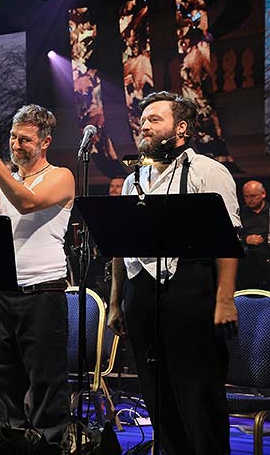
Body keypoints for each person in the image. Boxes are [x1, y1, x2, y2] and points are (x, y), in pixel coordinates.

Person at [107, 91, 239, 455]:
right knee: (155, 394)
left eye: (154, 119)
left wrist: (224, 299)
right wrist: (117, 301)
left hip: (190, 292)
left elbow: (227, 242)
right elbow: (120, 246)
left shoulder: (209, 172)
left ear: (180, 128)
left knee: (198, 395)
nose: (144, 126)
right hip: (141, 296)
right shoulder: (135, 179)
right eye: (143, 120)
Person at [0, 104, 74, 446]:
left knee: (47, 384)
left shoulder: (60, 176)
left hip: (43, 293)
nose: (16, 145)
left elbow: (27, 203)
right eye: (12, 138)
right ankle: (9, 443)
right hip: (4, 291)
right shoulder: (1, 178)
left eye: (25, 140)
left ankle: (49, 446)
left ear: (45, 142)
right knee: (5, 383)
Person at [237, 180, 269, 290]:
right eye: (246, 196)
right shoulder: (239, 213)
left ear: (263, 194)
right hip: (246, 261)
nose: (250, 200)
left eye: (253, 196)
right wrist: (246, 239)